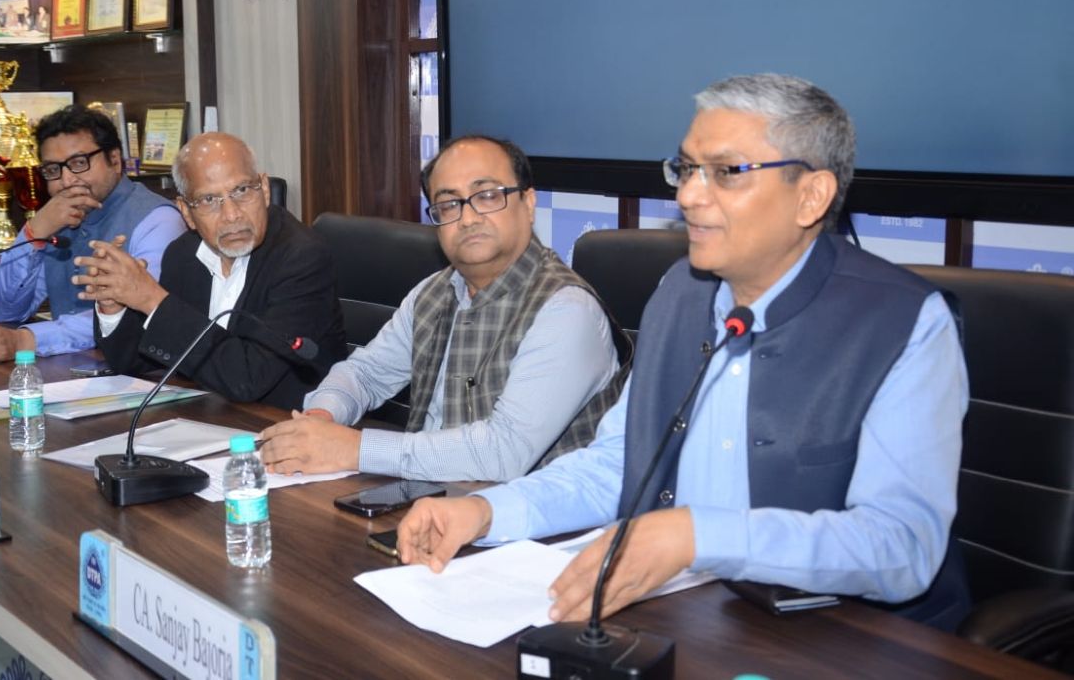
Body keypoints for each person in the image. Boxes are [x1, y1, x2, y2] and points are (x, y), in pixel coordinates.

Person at [397, 74, 971, 631]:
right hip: (686, 615)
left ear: (811, 196)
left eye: (726, 173)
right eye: (687, 169)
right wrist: (488, 511)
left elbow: (904, 546)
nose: (689, 195)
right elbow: (617, 465)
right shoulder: (680, 292)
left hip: (844, 638)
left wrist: (698, 535)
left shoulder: (905, 321)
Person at [259, 136, 631, 482]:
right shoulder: (434, 292)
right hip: (429, 500)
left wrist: (354, 449)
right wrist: (322, 417)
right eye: (449, 204)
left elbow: (505, 452)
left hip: (533, 522)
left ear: (528, 203)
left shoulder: (566, 310)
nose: (468, 218)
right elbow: (366, 374)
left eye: (487, 196)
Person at [75, 133, 347, 410]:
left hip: (287, 422)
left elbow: (247, 378)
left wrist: (152, 300)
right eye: (208, 199)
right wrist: (114, 305)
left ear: (264, 190)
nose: (231, 214)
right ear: (186, 212)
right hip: (210, 414)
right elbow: (139, 360)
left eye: (242, 190)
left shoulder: (302, 258)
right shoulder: (183, 254)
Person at [0, 104, 185, 361]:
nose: (66, 181)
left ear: (115, 160)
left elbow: (137, 313)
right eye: (53, 170)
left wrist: (28, 340)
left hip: (142, 369)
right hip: (69, 368)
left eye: (79, 163)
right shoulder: (58, 218)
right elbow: (7, 311)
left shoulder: (158, 220)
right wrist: (34, 232)